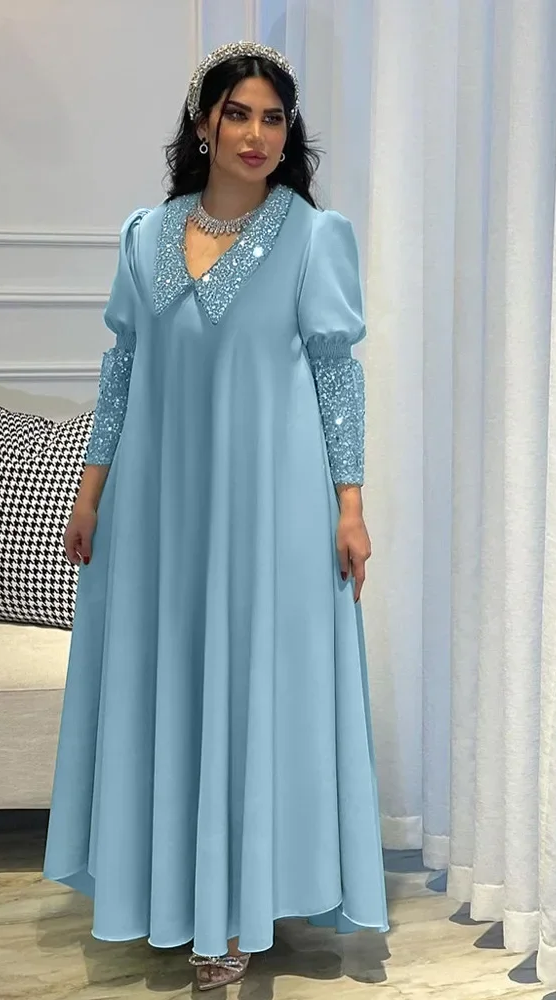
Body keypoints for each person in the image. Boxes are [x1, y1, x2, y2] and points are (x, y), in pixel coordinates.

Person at [42, 41, 388, 991]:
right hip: (160, 506)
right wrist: (90, 490)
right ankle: (177, 893)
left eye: (274, 118)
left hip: (271, 504)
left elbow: (336, 377)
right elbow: (123, 370)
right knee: (171, 682)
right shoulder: (143, 234)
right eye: (238, 114)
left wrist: (351, 507)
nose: (256, 134)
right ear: (204, 124)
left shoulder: (314, 238)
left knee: (252, 687)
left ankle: (233, 915)